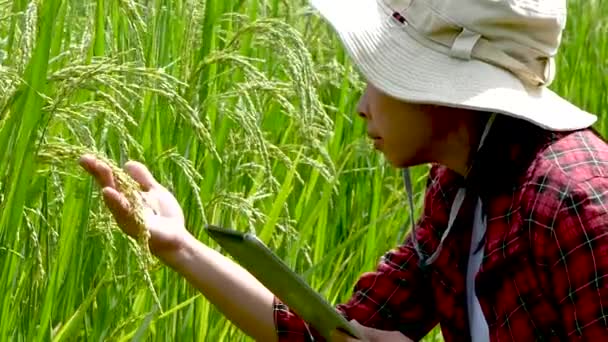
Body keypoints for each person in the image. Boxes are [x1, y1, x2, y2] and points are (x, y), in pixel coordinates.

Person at [80, 0, 608, 341]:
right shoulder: (458, 190)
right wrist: (179, 246)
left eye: (379, 77)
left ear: (446, 91)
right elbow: (332, 335)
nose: (361, 105)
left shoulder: (575, 206)